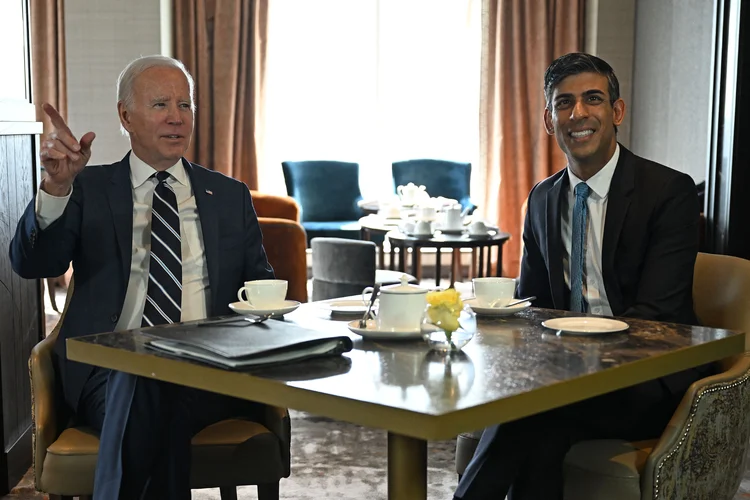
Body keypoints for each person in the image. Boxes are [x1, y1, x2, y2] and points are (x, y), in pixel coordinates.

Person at [9, 55, 274, 499]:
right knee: (147, 381)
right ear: (125, 116)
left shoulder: (229, 196)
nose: (176, 117)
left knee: (154, 389)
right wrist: (55, 190)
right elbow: (34, 264)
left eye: (184, 105)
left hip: (210, 372)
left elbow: (259, 291)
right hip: (107, 372)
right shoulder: (86, 189)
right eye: (160, 105)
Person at [454, 53, 708, 499]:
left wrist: (568, 370)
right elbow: (532, 308)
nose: (579, 114)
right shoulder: (542, 199)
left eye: (592, 99)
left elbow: (657, 315)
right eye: (563, 103)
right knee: (541, 433)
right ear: (550, 121)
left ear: (617, 111)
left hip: (646, 378)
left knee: (528, 411)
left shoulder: (668, 192)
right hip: (561, 378)